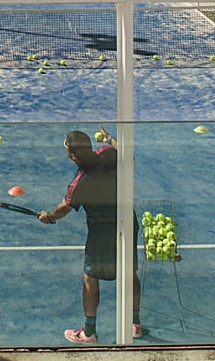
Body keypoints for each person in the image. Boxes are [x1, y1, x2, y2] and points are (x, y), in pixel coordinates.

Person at [38, 127, 142, 343]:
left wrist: (48, 217)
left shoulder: (80, 182)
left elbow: (64, 208)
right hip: (126, 221)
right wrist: (109, 138)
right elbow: (126, 152)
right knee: (129, 273)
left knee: (90, 278)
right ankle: (134, 324)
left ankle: (89, 332)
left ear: (73, 156)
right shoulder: (107, 153)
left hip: (101, 233)